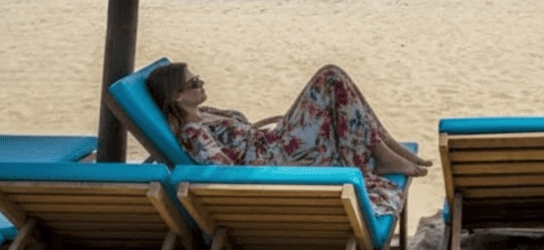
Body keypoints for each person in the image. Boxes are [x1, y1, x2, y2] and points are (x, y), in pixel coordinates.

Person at [146, 62, 431, 216]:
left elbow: (240, 134)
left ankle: (385, 147)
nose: (201, 84)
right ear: (177, 96)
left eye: (199, 78)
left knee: (335, 85)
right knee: (330, 77)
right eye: (194, 83)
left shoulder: (203, 113)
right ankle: (384, 150)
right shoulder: (193, 132)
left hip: (274, 142)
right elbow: (225, 172)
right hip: (276, 156)